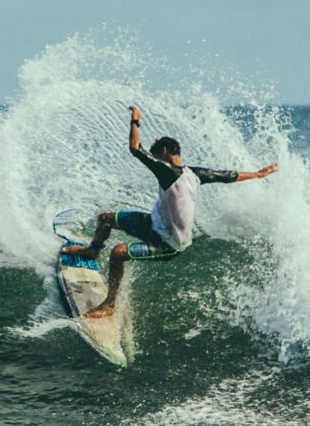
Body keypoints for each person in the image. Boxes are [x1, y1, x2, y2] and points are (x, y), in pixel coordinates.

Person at [61, 105, 279, 318]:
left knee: (118, 252)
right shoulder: (195, 173)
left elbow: (135, 148)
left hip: (170, 243)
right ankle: (92, 250)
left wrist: (135, 119)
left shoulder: (167, 172)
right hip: (155, 224)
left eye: (156, 153)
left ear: (164, 152)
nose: (154, 157)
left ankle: (109, 305)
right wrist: (258, 174)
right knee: (106, 219)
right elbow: (227, 175)